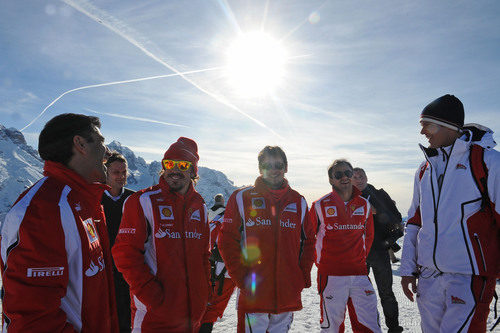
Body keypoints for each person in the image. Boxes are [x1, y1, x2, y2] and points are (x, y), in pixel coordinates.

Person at [0, 113, 118, 332]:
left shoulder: (83, 201)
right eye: (101, 142)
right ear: (80, 144)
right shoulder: (46, 208)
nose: (107, 151)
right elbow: (33, 320)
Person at [400, 94, 500, 332]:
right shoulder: (424, 169)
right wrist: (407, 270)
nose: (423, 132)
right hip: (428, 277)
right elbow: (414, 222)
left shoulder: (487, 161)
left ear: (450, 126)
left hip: (470, 275)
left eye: (428, 124)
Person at [112, 137, 210, 332]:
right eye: (169, 164)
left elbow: (203, 256)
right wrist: (153, 297)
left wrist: (204, 293)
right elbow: (125, 254)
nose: (174, 170)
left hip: (192, 317)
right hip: (154, 317)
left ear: (193, 171)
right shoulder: (142, 201)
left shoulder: (200, 206)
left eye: (182, 164)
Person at [219, 146, 316, 333]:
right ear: (259, 168)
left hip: (287, 292)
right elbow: (227, 241)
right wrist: (241, 278)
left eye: (278, 164)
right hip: (253, 292)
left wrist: (301, 276)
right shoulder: (242, 197)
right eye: (267, 165)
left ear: (286, 167)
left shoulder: (298, 201)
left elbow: (308, 241)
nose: (273, 170)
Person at [310, 159, 380, 332]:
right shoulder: (319, 205)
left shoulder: (364, 204)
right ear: (331, 180)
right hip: (331, 275)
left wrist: (360, 260)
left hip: (359, 273)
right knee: (332, 326)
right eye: (338, 174)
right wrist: (321, 263)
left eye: (348, 173)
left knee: (369, 324)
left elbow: (369, 235)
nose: (344, 177)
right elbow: (308, 238)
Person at [352, 167, 403, 333]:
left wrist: (376, 211)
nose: (358, 179)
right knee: (361, 295)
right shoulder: (346, 197)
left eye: (361, 176)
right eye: (355, 177)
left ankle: (394, 328)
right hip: (357, 254)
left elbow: (396, 218)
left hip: (380, 251)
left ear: (366, 177)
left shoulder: (379, 194)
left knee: (386, 293)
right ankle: (369, 328)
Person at [102, 151, 135, 332]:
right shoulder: (95, 197)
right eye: (116, 172)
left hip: (127, 269)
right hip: (103, 269)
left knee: (125, 317)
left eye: (124, 172)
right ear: (106, 173)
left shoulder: (133, 199)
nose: (121, 176)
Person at [199, 194, 236, 333]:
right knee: (212, 310)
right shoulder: (238, 220)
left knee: (205, 308)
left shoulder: (214, 216)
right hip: (225, 273)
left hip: (209, 268)